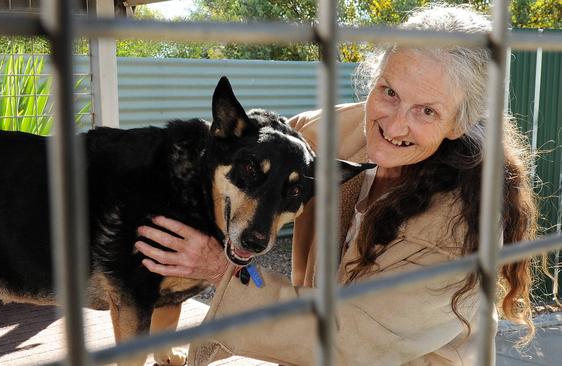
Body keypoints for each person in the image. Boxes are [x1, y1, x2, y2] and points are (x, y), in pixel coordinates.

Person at [134, 4, 538, 365]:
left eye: (427, 111)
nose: (395, 125)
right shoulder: (325, 134)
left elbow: (354, 343)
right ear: (373, 78)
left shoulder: (464, 226)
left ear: (460, 123)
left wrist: (220, 267)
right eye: (389, 91)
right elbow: (251, 144)